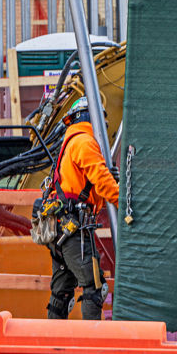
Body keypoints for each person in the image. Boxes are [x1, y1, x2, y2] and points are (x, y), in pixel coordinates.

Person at [45, 97, 118, 321]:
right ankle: (92, 348)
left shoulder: (71, 141)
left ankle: (53, 347)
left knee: (61, 294)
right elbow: (103, 182)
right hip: (73, 230)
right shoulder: (85, 142)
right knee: (95, 289)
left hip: (61, 230)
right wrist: (125, 205)